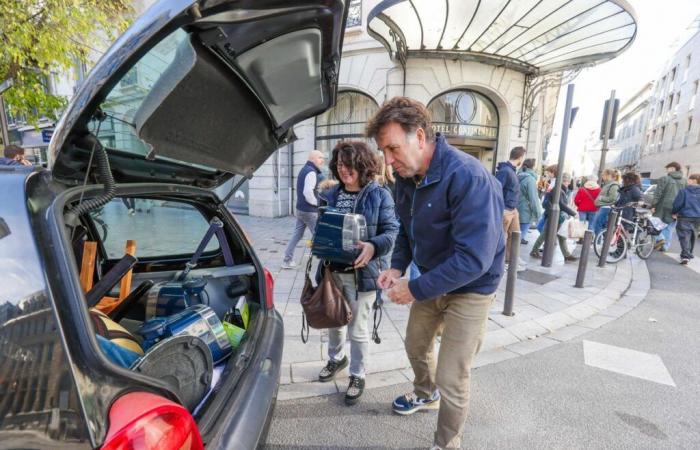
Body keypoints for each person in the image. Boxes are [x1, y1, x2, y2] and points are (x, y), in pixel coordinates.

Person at [368, 97, 505, 450]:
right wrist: (397, 267)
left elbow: (474, 258)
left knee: (452, 375)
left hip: (472, 287)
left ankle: (446, 443)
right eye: (384, 151)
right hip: (431, 280)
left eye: (393, 148)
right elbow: (408, 230)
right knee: (415, 345)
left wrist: (413, 289)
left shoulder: (469, 176)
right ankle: (424, 395)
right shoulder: (405, 177)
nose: (388, 160)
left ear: (419, 136)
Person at [315, 141, 398, 406]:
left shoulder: (379, 195)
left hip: (362, 274)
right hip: (332, 270)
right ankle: (336, 358)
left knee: (358, 330)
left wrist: (374, 246)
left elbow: (391, 232)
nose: (344, 170)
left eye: (349, 164)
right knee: (333, 322)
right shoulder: (330, 194)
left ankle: (357, 374)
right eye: (339, 164)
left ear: (362, 165)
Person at [282, 150, 326, 268]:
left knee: (297, 234)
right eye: (320, 158)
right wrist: (317, 204)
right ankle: (327, 263)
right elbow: (307, 192)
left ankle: (287, 260)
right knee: (319, 235)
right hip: (309, 211)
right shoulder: (311, 172)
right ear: (313, 158)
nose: (322, 160)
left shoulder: (304, 169)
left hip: (301, 210)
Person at [529, 170, 578, 262]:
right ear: (565, 181)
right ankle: (534, 250)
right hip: (555, 216)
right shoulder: (558, 189)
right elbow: (561, 204)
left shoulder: (560, 188)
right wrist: (573, 213)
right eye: (567, 181)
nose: (568, 183)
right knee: (547, 234)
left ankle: (567, 255)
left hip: (556, 216)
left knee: (561, 235)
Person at [495, 147, 526, 268]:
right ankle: (500, 263)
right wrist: (501, 208)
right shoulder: (505, 171)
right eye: (523, 157)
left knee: (515, 235)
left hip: (513, 209)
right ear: (520, 157)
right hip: (505, 209)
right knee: (502, 237)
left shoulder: (512, 171)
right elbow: (496, 189)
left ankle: (511, 259)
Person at [652, 161, 687, 252]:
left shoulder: (665, 178)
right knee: (669, 227)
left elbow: (658, 193)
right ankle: (665, 246)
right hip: (677, 208)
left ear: (672, 168)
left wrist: (653, 205)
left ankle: (660, 239)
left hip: (663, 206)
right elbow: (686, 197)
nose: (667, 170)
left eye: (667, 168)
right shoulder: (684, 181)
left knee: (654, 224)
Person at [672, 173, 700, 264]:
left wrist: (674, 212)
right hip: (697, 217)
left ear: (694, 180)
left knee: (684, 235)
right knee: (693, 234)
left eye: (689, 179)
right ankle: (689, 253)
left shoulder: (684, 191)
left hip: (685, 216)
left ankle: (685, 256)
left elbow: (677, 204)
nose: (687, 181)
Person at [517, 158, 542, 245]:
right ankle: (512, 257)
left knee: (514, 236)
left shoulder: (517, 175)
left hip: (515, 209)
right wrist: (538, 214)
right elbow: (533, 199)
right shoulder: (530, 179)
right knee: (518, 238)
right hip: (525, 212)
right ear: (533, 168)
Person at [592, 169, 620, 237]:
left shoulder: (613, 185)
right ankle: (598, 240)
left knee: (598, 224)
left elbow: (613, 198)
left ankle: (598, 241)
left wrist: (601, 198)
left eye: (603, 175)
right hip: (602, 207)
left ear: (608, 175)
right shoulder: (608, 184)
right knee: (598, 224)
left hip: (606, 208)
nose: (602, 176)